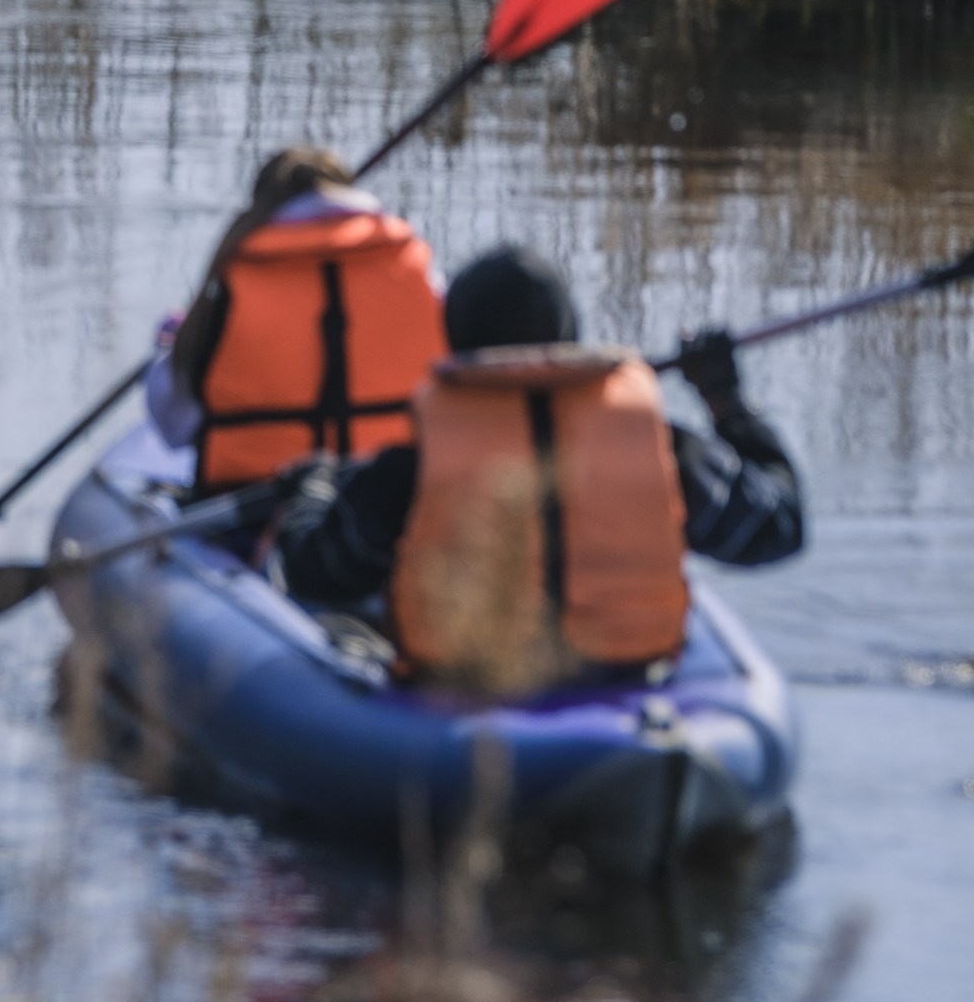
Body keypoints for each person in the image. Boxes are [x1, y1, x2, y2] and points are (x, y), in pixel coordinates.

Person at [271, 242, 802, 693]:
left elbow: (317, 573)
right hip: (627, 680)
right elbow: (780, 528)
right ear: (570, 335)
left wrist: (314, 490)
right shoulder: (665, 447)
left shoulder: (412, 467)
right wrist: (725, 401)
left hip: (467, 691)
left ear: (457, 340)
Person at [146, 144, 448, 494]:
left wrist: (172, 349)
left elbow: (174, 427)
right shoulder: (419, 272)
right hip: (388, 505)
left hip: (253, 509)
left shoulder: (235, 282)